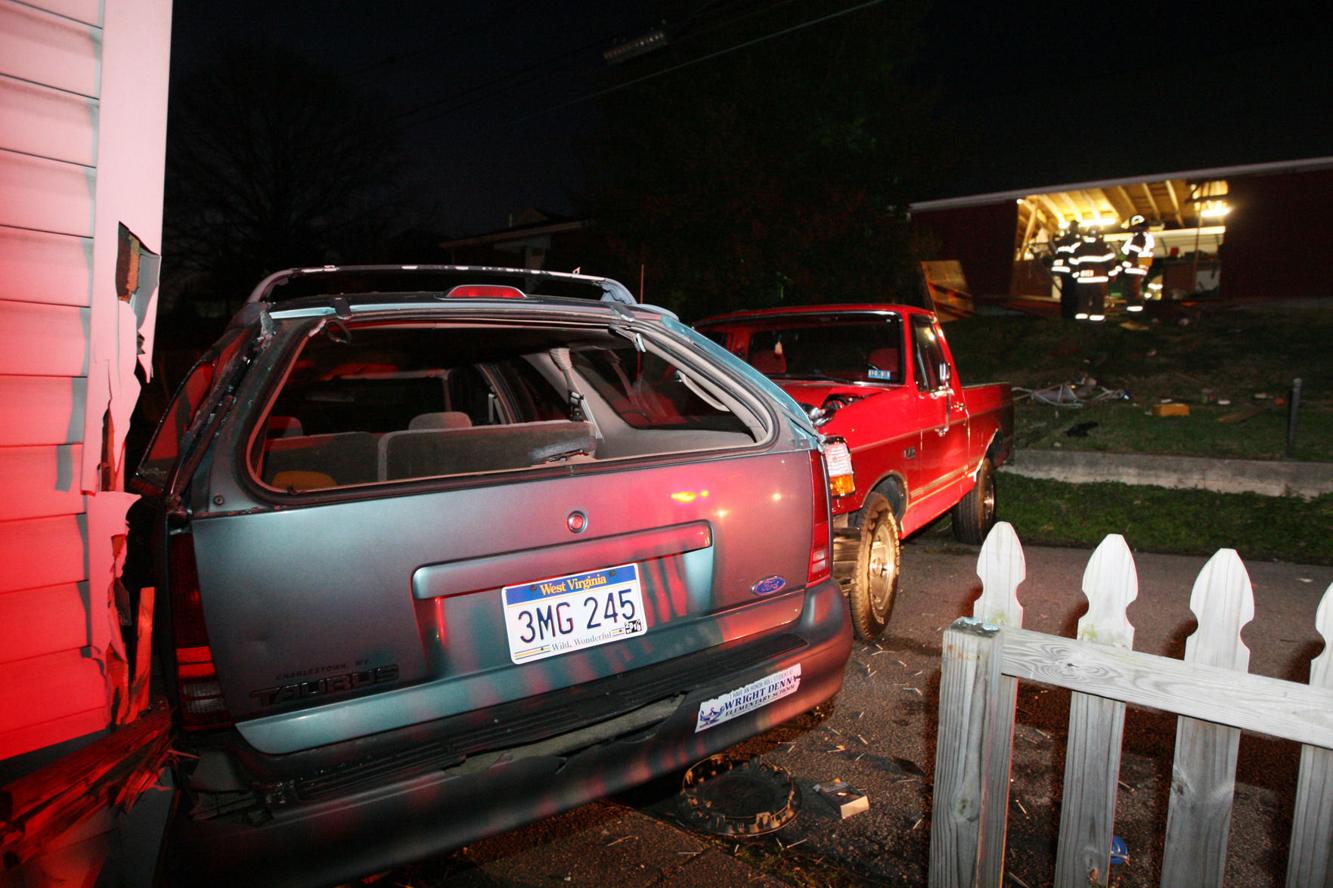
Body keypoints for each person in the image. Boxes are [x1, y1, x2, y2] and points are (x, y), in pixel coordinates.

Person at [1069, 226, 1116, 321]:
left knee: (1083, 301)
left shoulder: (1080, 247)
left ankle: (1081, 320)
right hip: (1099, 281)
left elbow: (1072, 261)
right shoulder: (1103, 246)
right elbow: (1110, 263)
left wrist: (1076, 275)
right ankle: (1097, 320)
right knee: (1098, 301)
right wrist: (1112, 275)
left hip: (1082, 281)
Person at [1119, 215, 1155, 312]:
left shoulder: (1139, 237)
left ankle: (1134, 314)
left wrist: (1124, 265)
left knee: (1131, 293)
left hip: (1134, 269)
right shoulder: (1145, 237)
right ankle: (1135, 312)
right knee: (1134, 292)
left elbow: (1133, 253)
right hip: (1139, 268)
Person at [1050, 221, 1081, 319]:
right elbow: (1077, 256)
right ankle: (1072, 313)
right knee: (1073, 292)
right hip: (1071, 270)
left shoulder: (1064, 239)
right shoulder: (1076, 239)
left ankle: (1065, 313)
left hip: (1062, 269)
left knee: (1065, 291)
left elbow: (1059, 254)